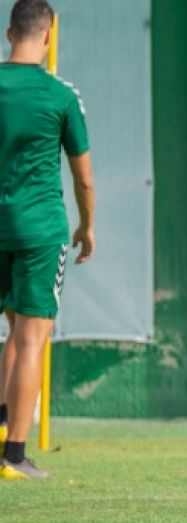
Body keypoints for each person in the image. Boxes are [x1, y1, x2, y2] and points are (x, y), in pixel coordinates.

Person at [0, 0, 95, 480]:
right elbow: (84, 179)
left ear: (8, 31)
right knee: (32, 337)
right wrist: (87, 226)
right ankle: (14, 453)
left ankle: (1, 429)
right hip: (39, 231)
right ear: (49, 34)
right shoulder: (60, 95)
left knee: (13, 331)